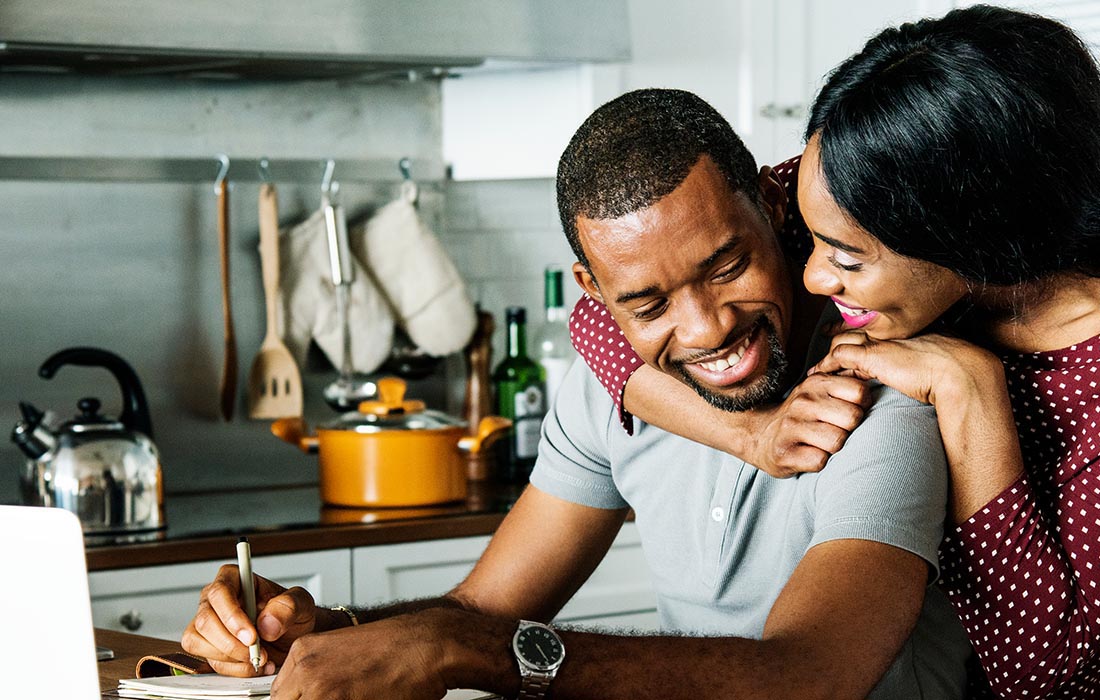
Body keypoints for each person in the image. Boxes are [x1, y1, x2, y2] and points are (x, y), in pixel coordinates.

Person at [181, 88, 971, 699]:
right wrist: (321, 633)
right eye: (649, 304)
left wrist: (464, 651)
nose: (704, 330)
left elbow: (812, 677)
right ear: (594, 294)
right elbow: (484, 610)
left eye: (727, 267)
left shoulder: (879, 388)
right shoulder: (608, 396)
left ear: (773, 207)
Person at [569, 6, 1100, 698]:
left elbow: (1044, 676)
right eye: (812, 239)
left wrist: (968, 388)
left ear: (967, 234)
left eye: (846, 259)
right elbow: (601, 313)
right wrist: (752, 434)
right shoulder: (855, 179)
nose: (813, 276)